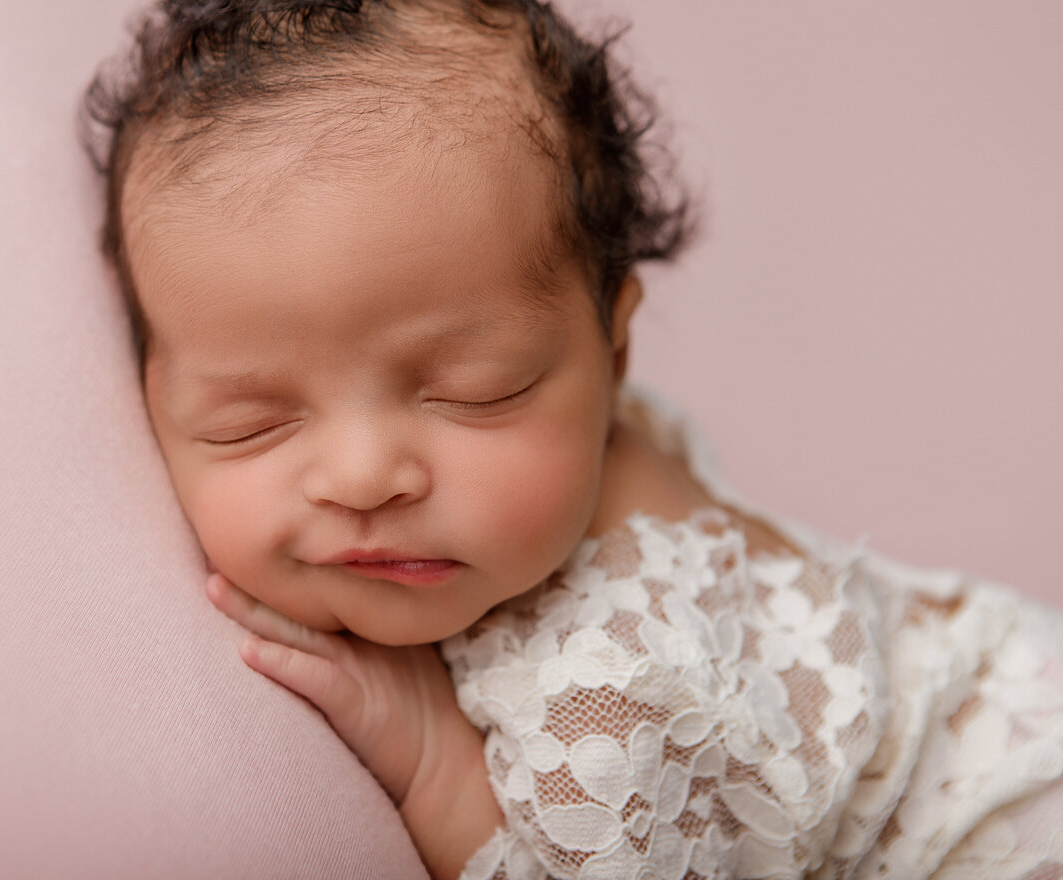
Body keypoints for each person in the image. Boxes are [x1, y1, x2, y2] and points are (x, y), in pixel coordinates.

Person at [83, 1, 1063, 877]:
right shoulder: (579, 453)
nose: (364, 474)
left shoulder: (616, 673)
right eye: (252, 420)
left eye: (475, 392)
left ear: (616, 348)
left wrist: (431, 757)